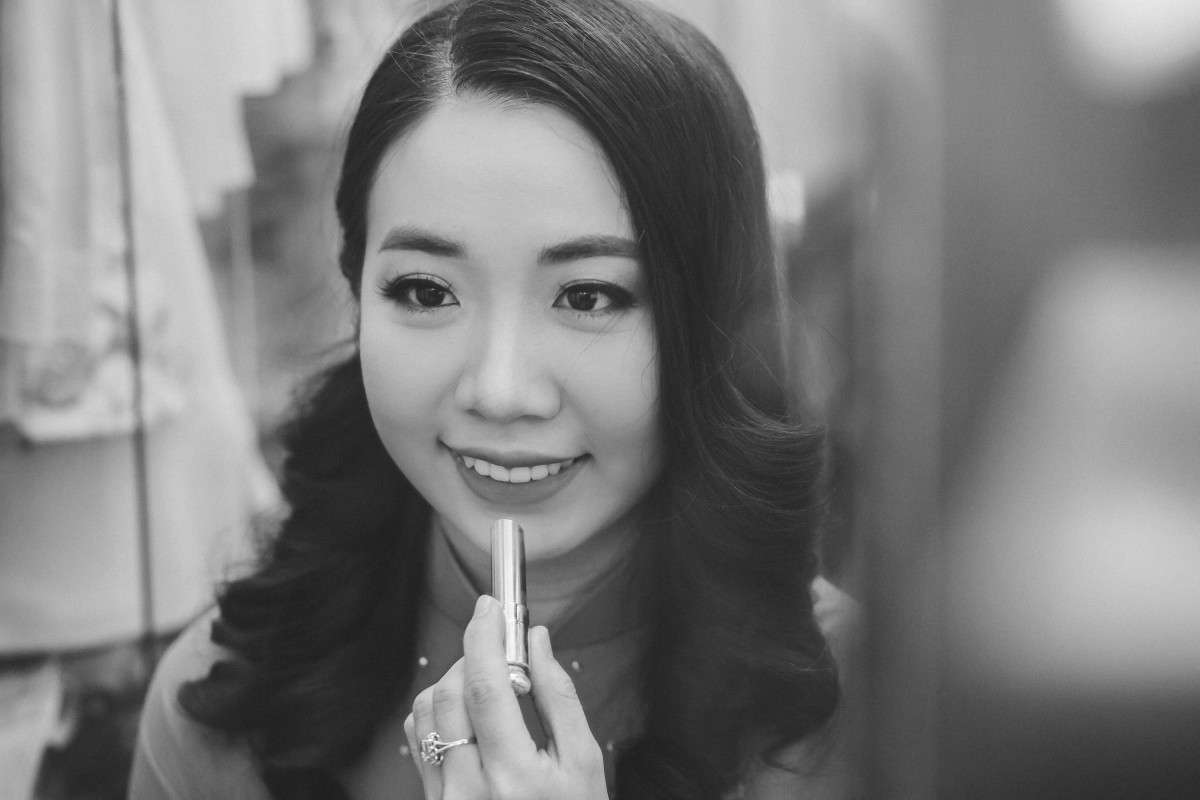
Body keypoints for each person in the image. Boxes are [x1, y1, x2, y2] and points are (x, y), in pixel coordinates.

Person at [130, 0, 854, 797]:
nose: (501, 392)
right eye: (426, 290)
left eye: (588, 296)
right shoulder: (220, 699)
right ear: (356, 293)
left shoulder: (872, 713)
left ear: (714, 319)